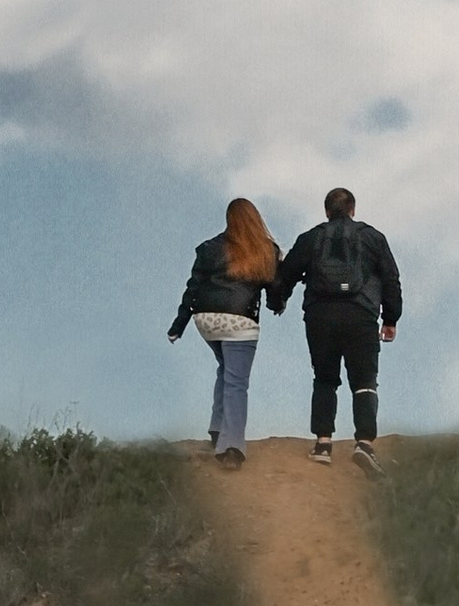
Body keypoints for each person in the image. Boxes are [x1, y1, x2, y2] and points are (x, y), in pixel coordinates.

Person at [269, 186, 403, 469]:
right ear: (353, 209)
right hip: (361, 314)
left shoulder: (311, 238)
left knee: (324, 378)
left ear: (327, 211)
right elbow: (391, 279)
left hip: (320, 315)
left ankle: (323, 444)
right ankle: (364, 443)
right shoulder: (373, 237)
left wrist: (277, 301)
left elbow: (286, 274)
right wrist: (391, 318)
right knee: (364, 381)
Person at [168, 197, 281, 468]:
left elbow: (192, 288)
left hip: (206, 321)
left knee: (226, 368)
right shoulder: (266, 249)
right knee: (236, 382)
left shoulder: (209, 248)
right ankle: (231, 449)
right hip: (240, 322)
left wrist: (178, 326)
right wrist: (277, 305)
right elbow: (275, 287)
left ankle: (217, 428)